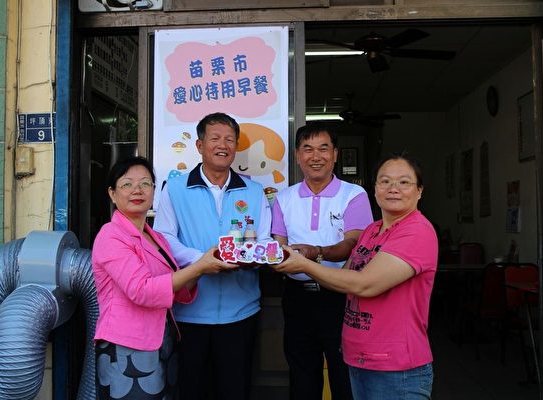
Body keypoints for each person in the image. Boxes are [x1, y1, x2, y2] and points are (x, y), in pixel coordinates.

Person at [272, 152, 438, 400]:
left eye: (404, 182)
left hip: (395, 367)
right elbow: (345, 276)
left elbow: (364, 284)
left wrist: (305, 264)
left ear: (419, 191)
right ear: (375, 189)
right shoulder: (372, 230)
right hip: (359, 358)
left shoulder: (416, 231)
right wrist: (311, 257)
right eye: (385, 181)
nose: (393, 188)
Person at [92, 156, 234, 400]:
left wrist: (209, 265)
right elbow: (142, 290)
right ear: (112, 194)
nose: (137, 190)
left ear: (154, 191)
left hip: (162, 342)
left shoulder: (155, 237)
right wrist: (200, 266)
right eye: (127, 184)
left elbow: (173, 288)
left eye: (145, 183)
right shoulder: (111, 235)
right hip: (127, 346)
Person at [153, 112, 272, 400]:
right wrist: (201, 260)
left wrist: (254, 256)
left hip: (241, 312)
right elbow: (164, 239)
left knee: (235, 390)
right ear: (199, 145)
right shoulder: (175, 189)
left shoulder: (254, 192)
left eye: (230, 140)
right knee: (192, 390)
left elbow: (264, 239)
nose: (223, 145)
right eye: (215, 138)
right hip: (190, 314)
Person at [271, 123, 373, 400]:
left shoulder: (354, 195)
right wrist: (275, 258)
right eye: (308, 149)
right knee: (302, 375)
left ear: (335, 154)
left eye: (323, 149)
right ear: (297, 156)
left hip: (340, 296)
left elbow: (353, 245)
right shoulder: (284, 198)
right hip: (297, 298)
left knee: (344, 375)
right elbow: (279, 247)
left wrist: (315, 252)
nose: (315, 156)